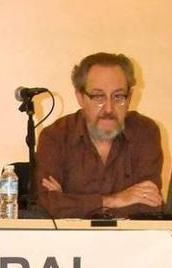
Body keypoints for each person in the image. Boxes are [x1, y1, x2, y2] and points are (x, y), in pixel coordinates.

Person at [36, 52, 162, 218]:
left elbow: (148, 206)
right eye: (98, 97)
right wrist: (114, 200)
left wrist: (71, 201)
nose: (109, 108)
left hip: (132, 241)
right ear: (80, 97)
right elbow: (49, 206)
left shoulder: (145, 132)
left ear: (129, 97)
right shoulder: (56, 137)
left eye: (118, 96)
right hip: (70, 242)